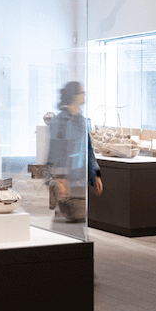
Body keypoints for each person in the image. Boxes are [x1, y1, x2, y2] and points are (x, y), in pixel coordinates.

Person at [47, 81, 102, 221]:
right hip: (65, 182)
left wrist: (95, 174)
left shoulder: (82, 121)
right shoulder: (60, 121)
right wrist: (59, 178)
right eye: (82, 92)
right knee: (65, 222)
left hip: (80, 180)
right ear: (74, 96)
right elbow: (54, 152)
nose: (84, 95)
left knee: (78, 221)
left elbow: (88, 149)